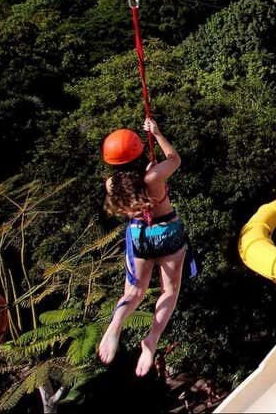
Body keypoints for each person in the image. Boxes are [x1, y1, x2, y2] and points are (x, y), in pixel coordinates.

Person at [98, 118, 184, 377]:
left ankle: (115, 326)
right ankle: (152, 340)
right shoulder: (154, 176)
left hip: (139, 235)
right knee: (169, 291)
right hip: (166, 231)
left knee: (134, 292)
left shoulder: (112, 185)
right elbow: (175, 158)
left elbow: (132, 193)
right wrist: (157, 133)